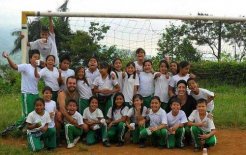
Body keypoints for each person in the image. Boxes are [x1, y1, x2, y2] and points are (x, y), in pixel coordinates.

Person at [1, 50, 40, 131]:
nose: (36, 59)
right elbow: (15, 67)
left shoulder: (38, 70)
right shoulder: (26, 66)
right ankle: (10, 129)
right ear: (30, 58)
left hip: (36, 94)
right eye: (35, 57)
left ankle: (22, 129)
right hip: (27, 94)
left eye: (38, 57)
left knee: (35, 113)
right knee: (27, 115)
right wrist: (8, 57)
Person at [56, 76, 80, 145]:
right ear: (66, 84)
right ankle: (58, 137)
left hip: (73, 112)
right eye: (70, 83)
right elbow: (62, 109)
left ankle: (75, 135)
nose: (72, 85)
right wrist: (72, 120)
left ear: (76, 85)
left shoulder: (77, 93)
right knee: (59, 114)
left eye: (74, 83)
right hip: (63, 114)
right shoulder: (62, 93)